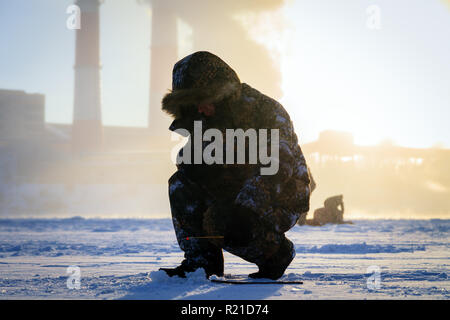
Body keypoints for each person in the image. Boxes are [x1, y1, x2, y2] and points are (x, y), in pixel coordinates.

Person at [160, 51, 313, 280]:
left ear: (219, 92)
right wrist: (195, 166)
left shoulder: (266, 111)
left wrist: (245, 207)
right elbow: (192, 161)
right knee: (181, 184)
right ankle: (201, 263)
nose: (199, 109)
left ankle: (275, 253)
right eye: (192, 105)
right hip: (237, 188)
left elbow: (278, 168)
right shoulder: (206, 118)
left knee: (224, 222)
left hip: (282, 194)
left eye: (202, 100)